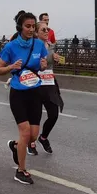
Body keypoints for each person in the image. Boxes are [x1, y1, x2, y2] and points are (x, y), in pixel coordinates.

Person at [0, 11, 48, 185]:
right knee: (25, 132)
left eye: (33, 26)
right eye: (28, 26)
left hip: (35, 91)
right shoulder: (11, 47)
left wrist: (43, 65)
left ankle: (16, 146)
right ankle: (21, 170)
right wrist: (11, 66)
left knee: (33, 136)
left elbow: (41, 65)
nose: (31, 29)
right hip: (18, 92)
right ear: (20, 27)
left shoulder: (39, 44)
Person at [36, 21, 64, 154]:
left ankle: (43, 137)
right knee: (34, 116)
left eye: (47, 29)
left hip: (49, 82)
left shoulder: (51, 46)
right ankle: (30, 143)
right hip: (35, 83)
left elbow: (51, 62)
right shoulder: (33, 46)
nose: (47, 31)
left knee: (53, 114)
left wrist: (56, 58)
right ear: (36, 33)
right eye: (43, 30)